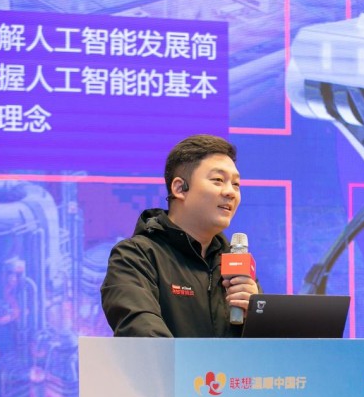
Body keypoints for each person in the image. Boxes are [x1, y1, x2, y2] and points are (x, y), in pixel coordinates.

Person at [101, 134, 260, 337]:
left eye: (236, 184)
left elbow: (268, 350)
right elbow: (142, 332)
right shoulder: (135, 257)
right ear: (179, 188)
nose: (230, 192)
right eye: (218, 180)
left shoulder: (236, 267)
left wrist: (257, 316)